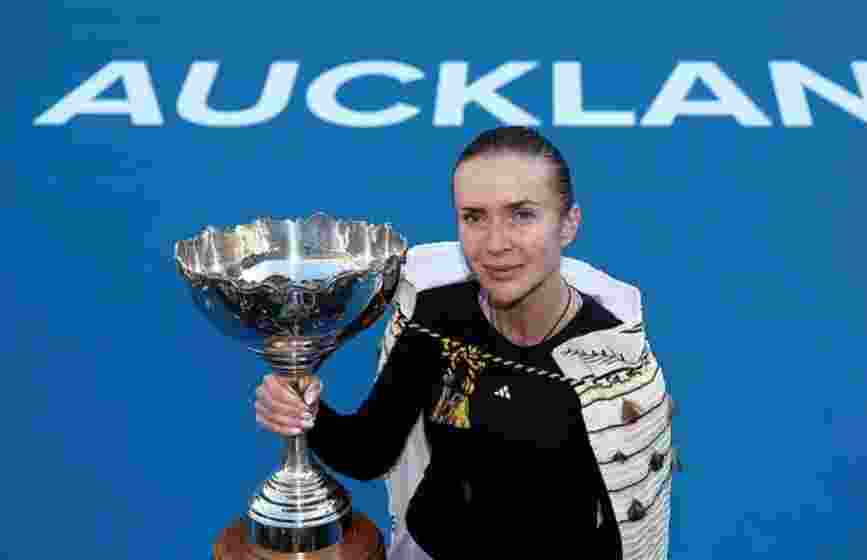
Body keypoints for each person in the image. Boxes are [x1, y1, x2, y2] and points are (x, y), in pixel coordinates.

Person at [254, 126, 676, 559]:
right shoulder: (437, 317)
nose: (495, 244)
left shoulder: (610, 360)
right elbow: (369, 452)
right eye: (474, 217)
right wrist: (302, 406)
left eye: (522, 215)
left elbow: (630, 533)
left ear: (569, 224)